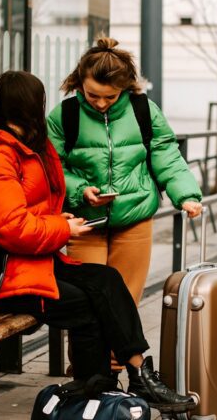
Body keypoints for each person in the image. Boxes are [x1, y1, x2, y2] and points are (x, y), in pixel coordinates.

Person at [0, 70, 195, 411]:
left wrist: (59, 220)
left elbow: (28, 214)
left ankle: (138, 375)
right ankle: (94, 385)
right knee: (84, 303)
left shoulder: (27, 144)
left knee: (106, 280)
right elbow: (12, 228)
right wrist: (64, 230)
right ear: (35, 105)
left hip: (27, 263)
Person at [46, 37, 203, 305]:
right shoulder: (65, 115)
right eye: (92, 94)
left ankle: (122, 350)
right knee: (86, 304)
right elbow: (51, 166)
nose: (101, 103)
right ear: (79, 82)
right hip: (85, 224)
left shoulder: (143, 109)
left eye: (110, 96)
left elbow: (166, 154)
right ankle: (90, 351)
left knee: (125, 304)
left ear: (125, 87)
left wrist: (186, 195)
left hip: (135, 217)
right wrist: (80, 190)